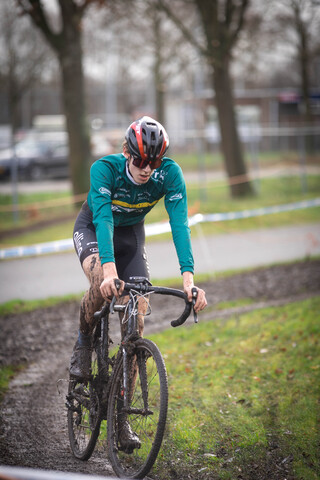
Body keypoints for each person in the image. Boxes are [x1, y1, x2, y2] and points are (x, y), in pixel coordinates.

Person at [70, 115, 207, 449]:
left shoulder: (169, 175)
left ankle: (121, 421)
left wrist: (189, 280)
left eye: (154, 161)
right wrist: (110, 271)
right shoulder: (104, 169)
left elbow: (179, 225)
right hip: (94, 230)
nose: (147, 168)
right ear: (126, 152)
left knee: (137, 316)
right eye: (141, 160)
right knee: (104, 282)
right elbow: (102, 218)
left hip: (131, 238)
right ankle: (84, 341)